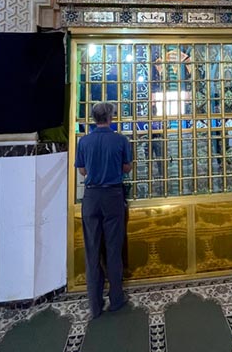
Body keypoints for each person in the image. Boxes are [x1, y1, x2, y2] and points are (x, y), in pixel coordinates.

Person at [75, 102, 133, 319]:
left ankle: (95, 304)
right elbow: (127, 167)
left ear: (94, 118)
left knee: (92, 250)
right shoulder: (120, 140)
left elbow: (82, 170)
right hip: (112, 196)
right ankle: (116, 298)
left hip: (91, 197)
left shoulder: (85, 141)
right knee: (113, 248)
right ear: (111, 117)